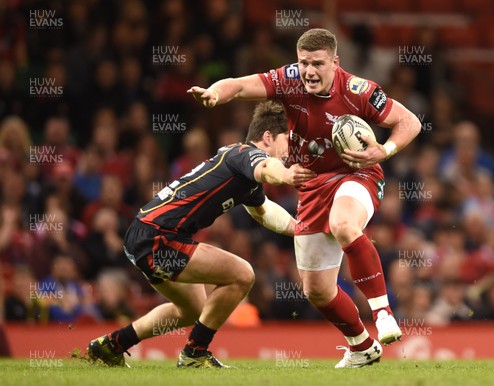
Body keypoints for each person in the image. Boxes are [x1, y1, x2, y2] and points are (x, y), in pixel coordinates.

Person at [188, 28, 421, 368]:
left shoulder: (359, 91)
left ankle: (383, 312)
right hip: (311, 185)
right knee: (316, 290)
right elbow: (238, 85)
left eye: (317, 64)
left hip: (355, 174)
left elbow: (409, 121)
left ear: (335, 63)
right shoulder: (288, 81)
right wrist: (214, 93)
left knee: (343, 224)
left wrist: (384, 150)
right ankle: (361, 347)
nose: (309, 71)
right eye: (303, 63)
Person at [87, 101, 315, 368]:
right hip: (158, 236)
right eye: (287, 140)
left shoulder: (244, 175)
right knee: (242, 275)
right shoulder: (244, 154)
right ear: (267, 137)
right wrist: (288, 175)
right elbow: (267, 169)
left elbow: (264, 211)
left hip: (147, 235)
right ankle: (195, 352)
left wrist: (301, 229)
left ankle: (112, 345)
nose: (290, 150)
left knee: (192, 309)